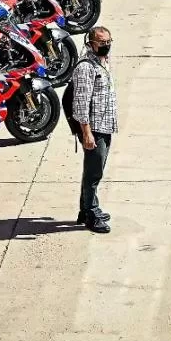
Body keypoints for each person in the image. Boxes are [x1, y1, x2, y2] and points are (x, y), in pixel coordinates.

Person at [71, 26, 118, 234]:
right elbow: (80, 103)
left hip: (105, 125)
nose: (106, 46)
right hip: (94, 128)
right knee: (94, 173)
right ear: (90, 43)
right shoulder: (86, 68)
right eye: (101, 43)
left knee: (93, 170)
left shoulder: (102, 62)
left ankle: (86, 209)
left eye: (108, 42)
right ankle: (91, 213)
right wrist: (86, 132)